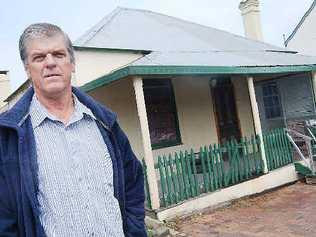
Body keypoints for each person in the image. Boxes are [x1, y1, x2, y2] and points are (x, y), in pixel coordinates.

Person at [0, 23, 147, 237]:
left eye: (58, 54)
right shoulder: (8, 137)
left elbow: (132, 184)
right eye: (39, 57)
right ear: (27, 69)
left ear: (72, 63)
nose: (50, 63)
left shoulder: (106, 124)